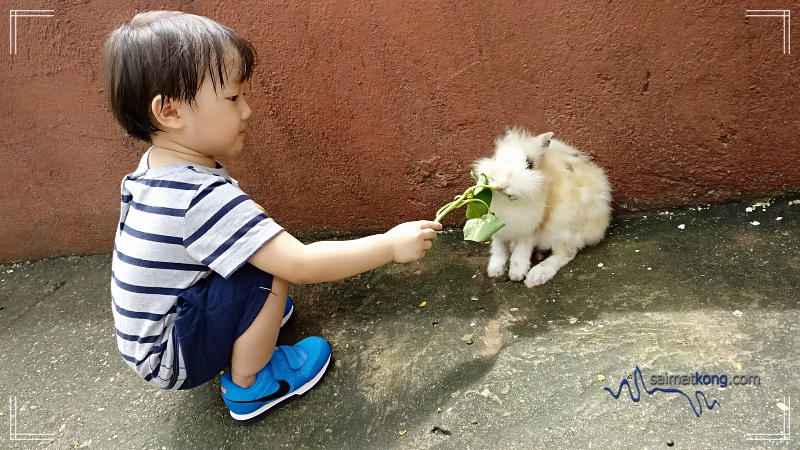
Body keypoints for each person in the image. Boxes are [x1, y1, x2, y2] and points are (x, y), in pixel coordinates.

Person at [103, 10, 441, 425]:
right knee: (268, 270)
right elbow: (300, 264)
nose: (246, 111)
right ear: (170, 112)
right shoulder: (198, 196)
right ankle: (251, 384)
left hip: (152, 339)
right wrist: (390, 245)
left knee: (256, 249)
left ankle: (245, 323)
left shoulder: (156, 167)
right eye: (232, 98)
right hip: (174, 357)